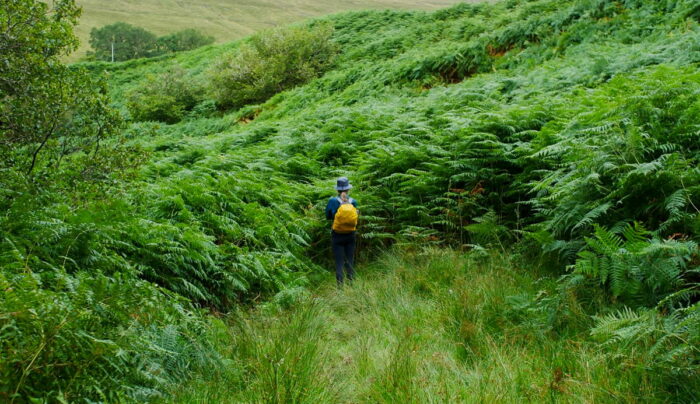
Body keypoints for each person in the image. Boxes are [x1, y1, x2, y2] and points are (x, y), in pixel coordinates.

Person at [325, 177, 358, 285]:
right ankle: (351, 284)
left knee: (339, 261)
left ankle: (340, 286)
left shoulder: (332, 201)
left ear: (337, 190)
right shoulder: (353, 201)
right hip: (350, 235)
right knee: (350, 260)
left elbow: (328, 216)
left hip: (337, 235)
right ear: (348, 189)